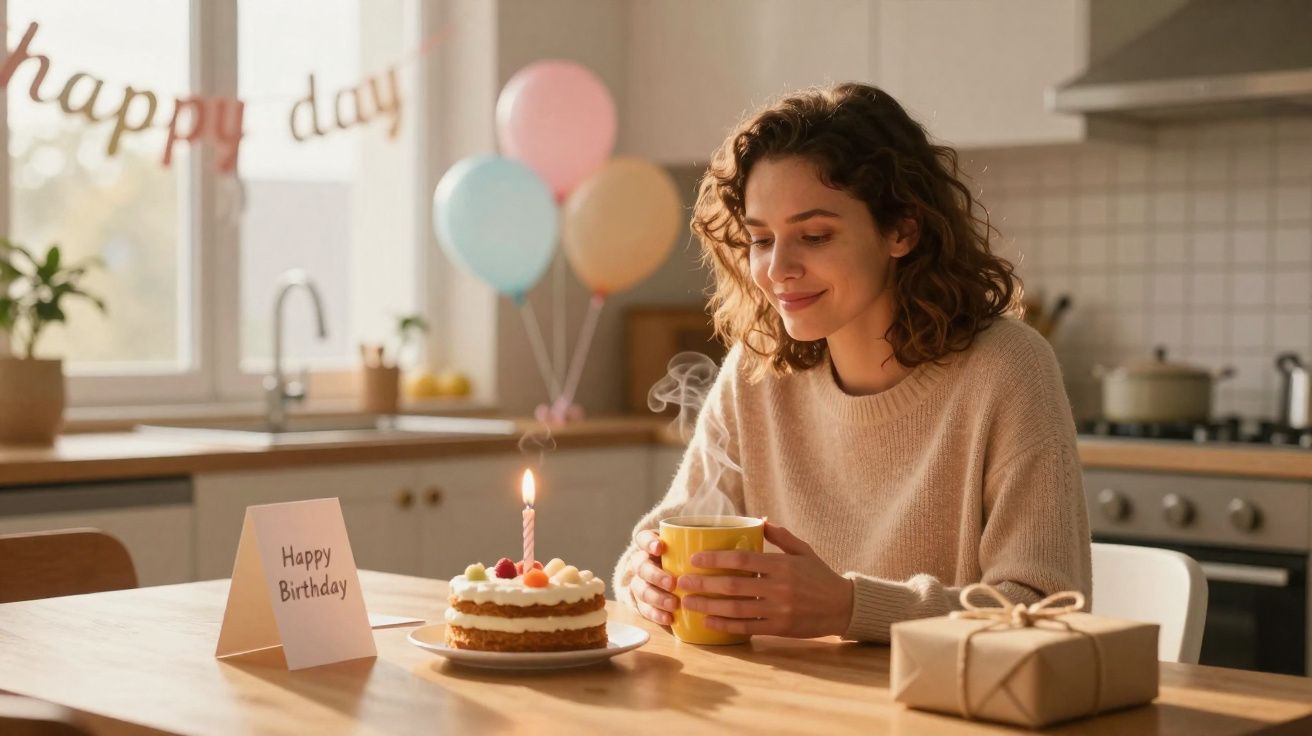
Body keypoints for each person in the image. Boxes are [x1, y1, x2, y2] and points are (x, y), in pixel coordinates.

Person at [611, 82, 1091, 642]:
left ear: (902, 229)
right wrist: (648, 580)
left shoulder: (1006, 369)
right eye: (761, 239)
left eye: (814, 235)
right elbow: (651, 550)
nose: (777, 269)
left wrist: (851, 607)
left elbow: (1049, 611)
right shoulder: (755, 371)